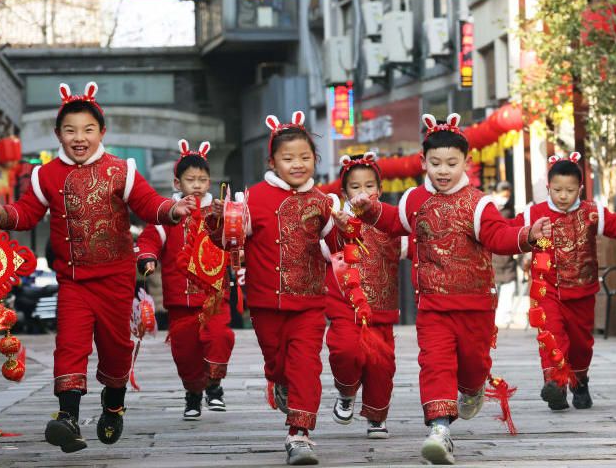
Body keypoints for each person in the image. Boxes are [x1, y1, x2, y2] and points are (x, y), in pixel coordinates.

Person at [0, 82, 195, 453]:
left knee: (115, 349)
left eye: (88, 130)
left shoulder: (121, 170)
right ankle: (68, 417)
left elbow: (147, 203)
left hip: (115, 279)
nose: (79, 138)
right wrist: (4, 214)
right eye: (70, 130)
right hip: (74, 281)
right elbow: (28, 212)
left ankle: (113, 405)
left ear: (102, 133)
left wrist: (172, 210)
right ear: (57, 135)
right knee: (70, 345)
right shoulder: (44, 175)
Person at [348, 113, 550, 465]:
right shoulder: (414, 199)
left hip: (475, 306)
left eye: (451, 163)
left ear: (466, 163)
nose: (443, 170)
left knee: (473, 364)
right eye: (436, 163)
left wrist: (526, 236)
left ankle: (472, 388)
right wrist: (371, 211)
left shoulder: (479, 203)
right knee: (435, 363)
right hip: (432, 305)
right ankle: (440, 430)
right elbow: (396, 222)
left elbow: (498, 237)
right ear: (423, 162)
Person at [207, 112, 337, 466]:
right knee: (278, 363)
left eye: (305, 157)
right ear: (273, 162)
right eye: (288, 158)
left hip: (310, 303)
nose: (298, 164)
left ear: (315, 160)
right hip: (266, 303)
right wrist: (218, 219)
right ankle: (279, 382)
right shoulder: (252, 198)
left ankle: (299, 434)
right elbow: (228, 241)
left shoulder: (324, 202)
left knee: (306, 365)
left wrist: (348, 227)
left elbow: (338, 244)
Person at [511, 153, 616, 411]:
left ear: (581, 188)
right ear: (548, 188)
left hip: (583, 291)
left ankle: (579, 382)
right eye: (557, 190)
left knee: (581, 344)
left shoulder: (591, 212)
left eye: (570, 190)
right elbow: (505, 232)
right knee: (552, 335)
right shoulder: (534, 214)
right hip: (548, 289)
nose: (563, 196)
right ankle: (555, 383)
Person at [136, 140, 235, 421]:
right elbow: (149, 239)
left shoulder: (219, 212)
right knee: (185, 353)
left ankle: (214, 384)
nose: (197, 185)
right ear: (177, 182)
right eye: (190, 179)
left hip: (214, 295)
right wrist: (147, 257)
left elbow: (236, 240)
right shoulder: (168, 213)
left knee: (220, 337)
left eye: (202, 179)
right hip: (180, 299)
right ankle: (193, 392)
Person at [325, 153, 407, 439]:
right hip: (344, 302)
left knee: (381, 363)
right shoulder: (335, 218)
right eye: (356, 187)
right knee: (345, 349)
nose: (363, 193)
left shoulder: (392, 219)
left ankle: (376, 415)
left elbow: (415, 246)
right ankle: (346, 391)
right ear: (344, 192)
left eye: (370, 186)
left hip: (382, 305)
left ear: (380, 189)